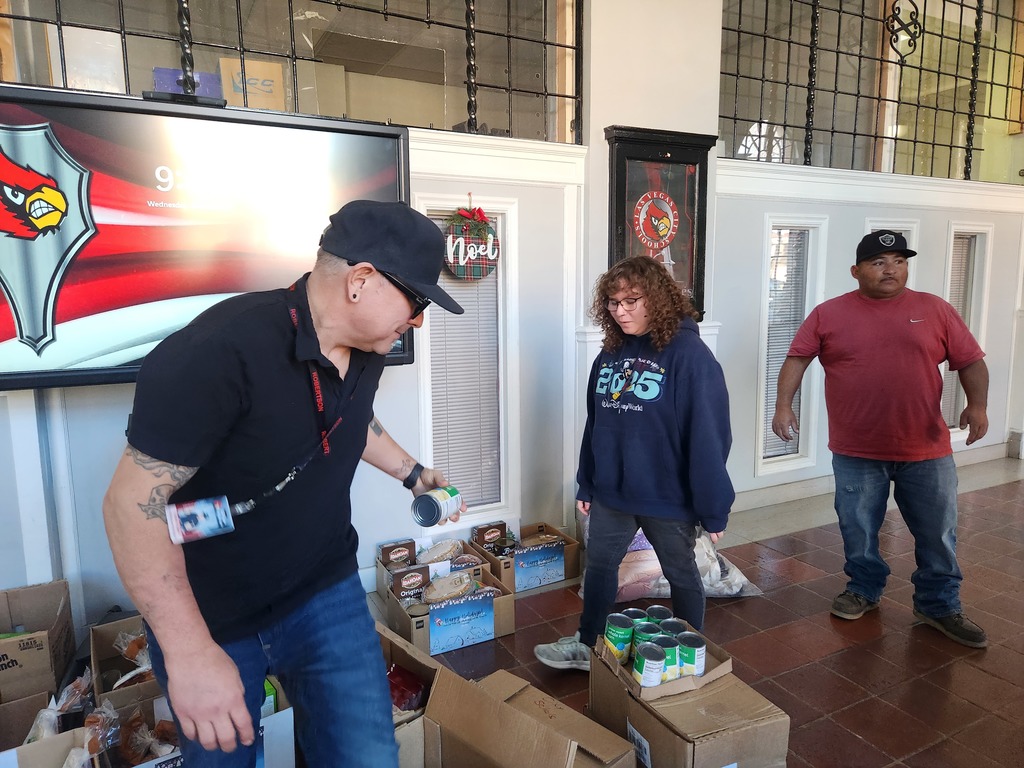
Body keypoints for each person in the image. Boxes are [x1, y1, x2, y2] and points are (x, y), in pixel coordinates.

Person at [102, 200, 465, 767]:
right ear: (360, 281)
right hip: (213, 614)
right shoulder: (216, 351)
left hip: (325, 589)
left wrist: (412, 473)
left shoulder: (368, 350)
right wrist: (189, 652)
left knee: (367, 759)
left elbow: (349, 417)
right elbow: (131, 505)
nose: (419, 319)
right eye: (417, 301)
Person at [772, 229, 989, 649]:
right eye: (878, 262)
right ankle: (863, 589)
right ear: (856, 271)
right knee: (858, 528)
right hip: (857, 449)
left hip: (925, 448)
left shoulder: (935, 309)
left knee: (938, 533)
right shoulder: (828, 314)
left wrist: (977, 405)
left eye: (899, 261)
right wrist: (783, 406)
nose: (891, 269)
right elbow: (797, 358)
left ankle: (939, 605)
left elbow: (970, 361)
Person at [534, 255, 734, 672]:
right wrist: (588, 482)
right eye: (612, 302)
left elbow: (709, 437)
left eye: (631, 300)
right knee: (599, 567)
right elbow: (597, 423)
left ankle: (686, 656)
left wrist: (714, 507)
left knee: (681, 575)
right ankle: (588, 646)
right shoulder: (610, 354)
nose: (620, 311)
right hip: (613, 492)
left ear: (656, 299)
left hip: (668, 496)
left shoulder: (690, 356)